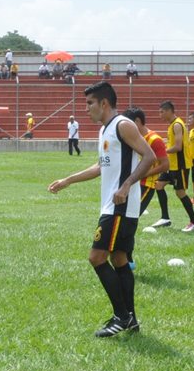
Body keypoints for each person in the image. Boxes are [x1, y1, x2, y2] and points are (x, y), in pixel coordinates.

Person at [48, 82, 157, 337]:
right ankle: (130, 320)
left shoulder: (123, 125)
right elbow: (100, 167)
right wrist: (67, 180)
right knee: (119, 259)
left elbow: (149, 156)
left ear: (104, 103)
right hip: (114, 205)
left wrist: (127, 185)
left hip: (119, 207)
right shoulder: (105, 130)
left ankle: (120, 316)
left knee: (96, 257)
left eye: (90, 104)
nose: (86, 109)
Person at [154, 101, 194, 231]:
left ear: (169, 111)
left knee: (180, 192)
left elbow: (177, 147)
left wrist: (161, 151)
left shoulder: (177, 125)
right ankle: (165, 218)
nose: (160, 115)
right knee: (158, 185)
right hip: (171, 165)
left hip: (180, 166)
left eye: (162, 112)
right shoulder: (172, 125)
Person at [125, 109, 169, 218]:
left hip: (147, 184)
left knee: (130, 216)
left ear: (137, 121)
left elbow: (165, 165)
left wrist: (144, 173)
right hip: (134, 182)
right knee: (125, 215)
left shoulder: (155, 140)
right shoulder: (135, 138)